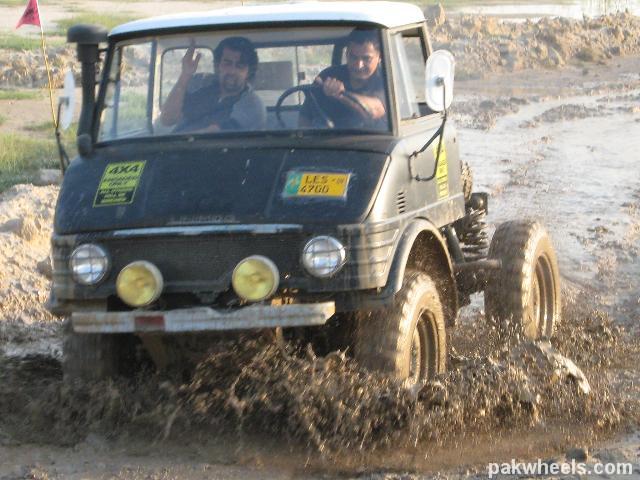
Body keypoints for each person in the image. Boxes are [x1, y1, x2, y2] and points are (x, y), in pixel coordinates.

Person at [160, 36, 266, 133]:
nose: (232, 71)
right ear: (217, 65)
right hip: (173, 148)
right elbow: (167, 119)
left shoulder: (253, 105)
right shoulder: (199, 82)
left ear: (249, 72)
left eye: (240, 66)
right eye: (227, 63)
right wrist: (185, 74)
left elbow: (213, 133)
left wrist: (177, 142)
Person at [299, 29, 387, 130]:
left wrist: (341, 95)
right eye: (353, 57)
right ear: (346, 54)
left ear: (380, 57)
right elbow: (304, 118)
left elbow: (375, 111)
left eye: (366, 59)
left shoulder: (386, 79)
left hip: (373, 142)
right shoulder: (328, 75)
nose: (359, 65)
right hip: (326, 141)